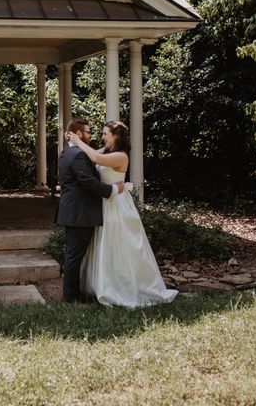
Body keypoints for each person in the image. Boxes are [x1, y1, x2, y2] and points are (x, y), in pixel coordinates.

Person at [68, 121, 177, 309]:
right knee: (103, 245)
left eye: (105, 134)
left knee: (117, 245)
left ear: (116, 136)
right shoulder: (108, 151)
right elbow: (90, 154)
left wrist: (77, 139)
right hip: (103, 203)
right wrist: (72, 144)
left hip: (116, 206)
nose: (102, 137)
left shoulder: (120, 156)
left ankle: (120, 287)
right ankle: (99, 285)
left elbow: (93, 156)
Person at [56, 118, 124, 304]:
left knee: (74, 254)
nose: (91, 135)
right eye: (88, 132)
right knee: (74, 256)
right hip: (80, 212)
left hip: (73, 210)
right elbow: (88, 182)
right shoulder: (77, 155)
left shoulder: (67, 152)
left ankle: (75, 292)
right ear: (79, 134)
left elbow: (95, 155)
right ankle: (70, 297)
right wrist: (112, 190)